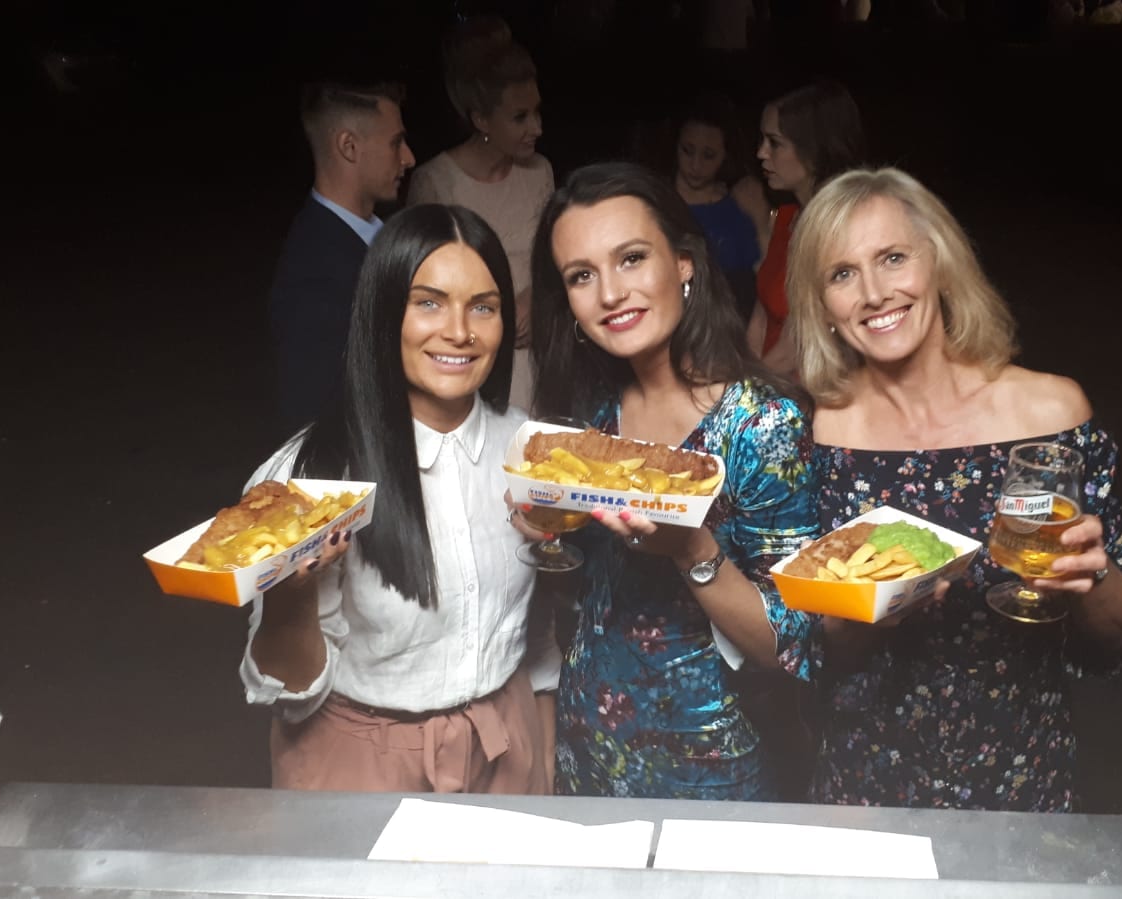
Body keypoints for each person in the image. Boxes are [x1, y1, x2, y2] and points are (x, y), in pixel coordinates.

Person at [785, 168, 1122, 810]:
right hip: (867, 779)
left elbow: (1115, 639)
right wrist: (872, 612)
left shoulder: (1051, 413)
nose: (873, 292)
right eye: (842, 274)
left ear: (940, 264)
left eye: (892, 258)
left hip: (1021, 771)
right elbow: (820, 654)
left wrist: (1088, 580)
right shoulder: (821, 435)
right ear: (825, 309)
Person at [519, 162, 818, 801]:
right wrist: (550, 523)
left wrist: (692, 550)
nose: (609, 293)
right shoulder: (591, 410)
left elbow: (789, 643)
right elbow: (594, 593)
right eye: (581, 275)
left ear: (684, 263)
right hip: (588, 740)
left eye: (630, 258)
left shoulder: (760, 422)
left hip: (710, 767)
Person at [241, 204, 559, 794]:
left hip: (506, 744)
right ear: (385, 312)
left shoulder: (533, 451)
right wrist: (292, 593)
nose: (459, 331)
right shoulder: (310, 475)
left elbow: (536, 636)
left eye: (483, 307)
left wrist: (543, 760)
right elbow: (288, 692)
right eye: (429, 302)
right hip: (362, 759)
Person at [407, 16, 551, 412]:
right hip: (470, 351)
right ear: (481, 119)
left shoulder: (540, 172)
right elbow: (425, 289)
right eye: (520, 117)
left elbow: (555, 255)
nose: (536, 127)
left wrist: (535, 298)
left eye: (537, 111)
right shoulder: (436, 182)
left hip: (535, 352)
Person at [269, 81, 416, 434]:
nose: (409, 157)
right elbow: (315, 417)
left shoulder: (378, 235)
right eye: (395, 142)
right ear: (349, 146)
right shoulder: (314, 272)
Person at [751, 80, 866, 374]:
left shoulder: (841, 231)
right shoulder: (786, 217)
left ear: (813, 149)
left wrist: (741, 395)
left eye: (774, 143)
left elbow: (796, 346)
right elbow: (761, 316)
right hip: (769, 389)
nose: (761, 153)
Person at [672, 94, 767, 325]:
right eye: (687, 150)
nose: (696, 165)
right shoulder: (656, 202)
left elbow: (767, 273)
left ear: (725, 155)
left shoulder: (742, 200)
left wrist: (761, 221)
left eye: (708, 155)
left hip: (737, 331)